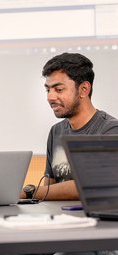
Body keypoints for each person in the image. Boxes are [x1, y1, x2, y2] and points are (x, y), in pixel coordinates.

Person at [21, 53, 118, 201]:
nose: (50, 97)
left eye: (58, 89)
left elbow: (86, 187)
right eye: (48, 90)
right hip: (59, 219)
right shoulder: (56, 131)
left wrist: (29, 191)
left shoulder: (110, 130)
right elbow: (49, 189)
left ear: (84, 89)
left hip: (94, 222)